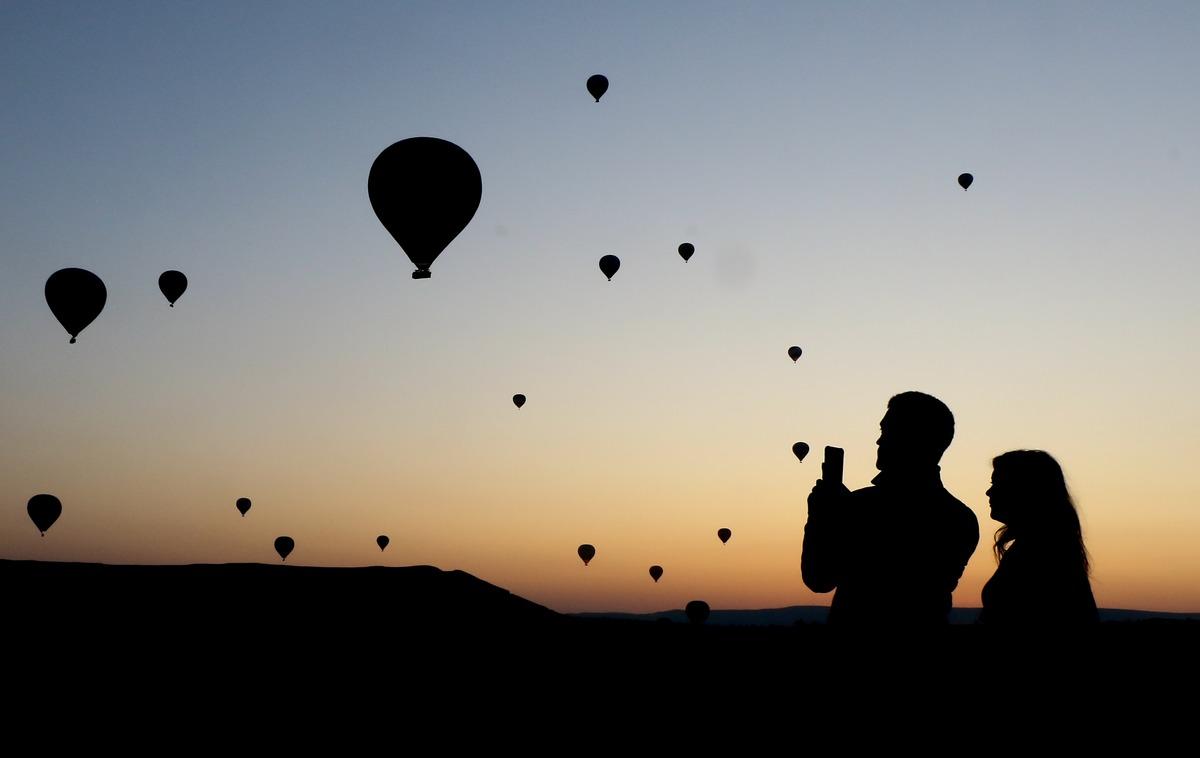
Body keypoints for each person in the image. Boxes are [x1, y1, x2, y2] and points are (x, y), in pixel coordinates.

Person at [802, 391, 979, 624]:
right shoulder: (961, 517)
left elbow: (819, 579)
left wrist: (822, 516)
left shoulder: (860, 508)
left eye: (888, 431)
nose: (879, 440)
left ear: (913, 439)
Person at [980, 450, 1098, 625]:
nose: (989, 492)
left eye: (998, 483)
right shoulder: (1040, 546)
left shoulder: (1041, 552)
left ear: (1025, 490)